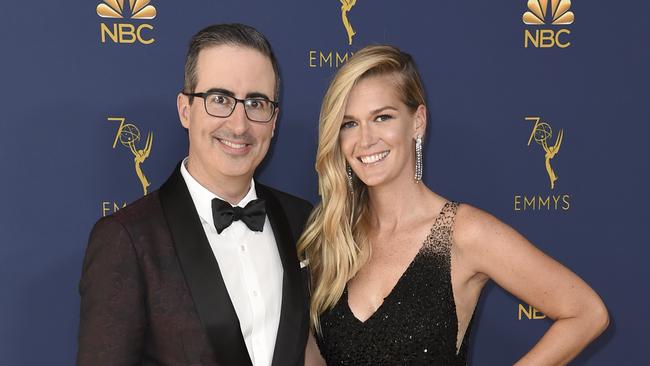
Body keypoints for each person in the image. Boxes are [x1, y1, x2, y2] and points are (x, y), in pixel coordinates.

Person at [298, 45, 609, 365]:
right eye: (350, 123)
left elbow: (586, 313)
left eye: (382, 117)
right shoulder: (330, 238)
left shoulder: (463, 233)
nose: (365, 139)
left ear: (417, 122)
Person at [78, 24, 312, 366]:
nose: (239, 125)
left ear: (273, 121)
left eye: (256, 103)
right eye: (220, 100)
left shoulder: (302, 220)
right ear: (185, 109)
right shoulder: (127, 239)